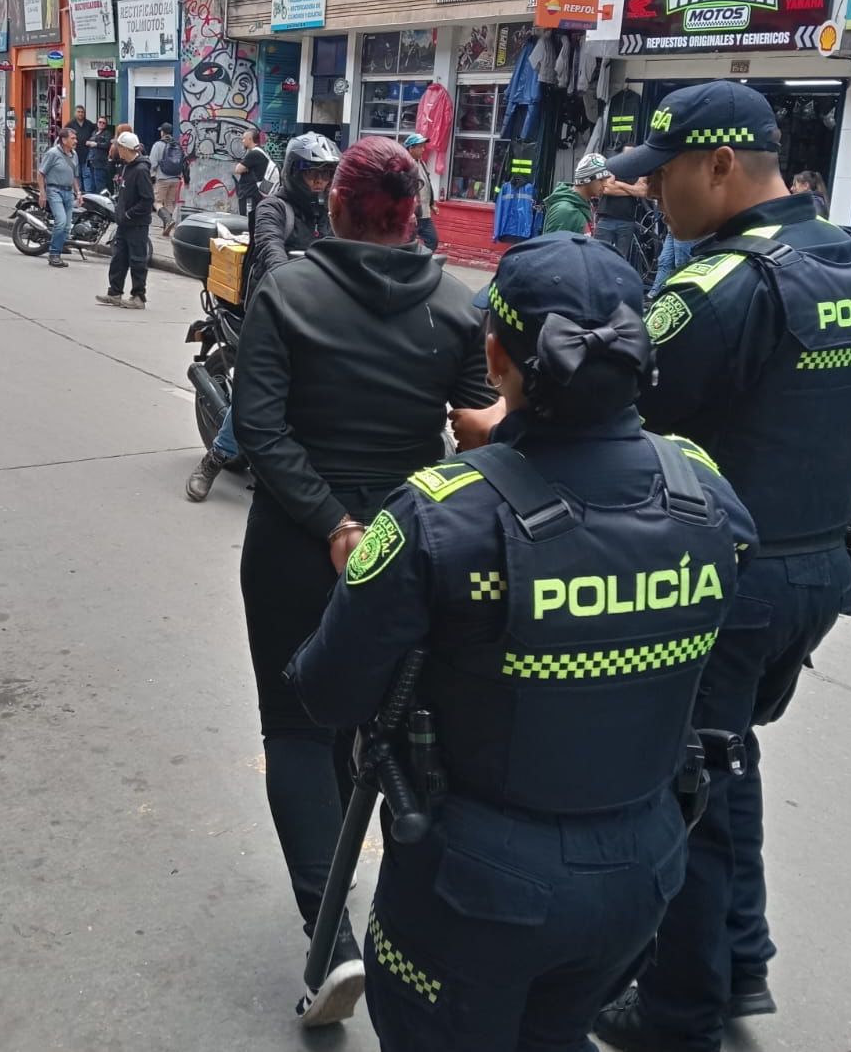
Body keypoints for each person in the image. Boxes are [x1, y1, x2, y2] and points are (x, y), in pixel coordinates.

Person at [288, 231, 757, 1051]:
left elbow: (328, 691)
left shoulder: (442, 514)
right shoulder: (704, 488)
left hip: (476, 892)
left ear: (496, 355)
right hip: (644, 870)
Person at [583, 81, 851, 1052]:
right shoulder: (845, 262)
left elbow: (611, 428)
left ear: (715, 166)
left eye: (660, 175)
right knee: (725, 758)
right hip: (820, 568)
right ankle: (739, 959)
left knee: (679, 796)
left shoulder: (717, 289)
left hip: (724, 587)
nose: (652, 194)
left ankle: (677, 1011)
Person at [231, 135, 496, 1027]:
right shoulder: (459, 307)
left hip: (299, 547)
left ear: (336, 209)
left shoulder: (287, 291)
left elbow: (259, 430)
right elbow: (478, 429)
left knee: (298, 729)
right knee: (391, 725)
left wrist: (333, 525)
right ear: (414, 214)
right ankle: (405, 926)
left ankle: (332, 942)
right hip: (416, 542)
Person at [185, 132, 340, 503]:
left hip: (319, 314)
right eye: (311, 174)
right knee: (259, 393)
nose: (318, 182)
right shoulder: (274, 208)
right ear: (292, 172)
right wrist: (288, 276)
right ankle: (214, 459)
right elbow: (271, 249)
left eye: (324, 174)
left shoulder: (330, 212)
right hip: (273, 311)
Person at [96, 131, 154, 310]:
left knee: (137, 260)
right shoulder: (126, 166)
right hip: (124, 223)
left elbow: (147, 200)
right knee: (118, 258)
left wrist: (128, 214)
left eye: (118, 146)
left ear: (125, 148)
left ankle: (138, 297)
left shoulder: (141, 170)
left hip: (136, 224)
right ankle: (115, 292)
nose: (116, 149)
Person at [38, 128, 82, 268]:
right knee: (61, 221)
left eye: (75, 138)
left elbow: (74, 176)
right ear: (64, 140)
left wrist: (78, 192)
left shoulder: (74, 155)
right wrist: (42, 193)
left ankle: (58, 247)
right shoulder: (52, 153)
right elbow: (41, 174)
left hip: (68, 193)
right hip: (54, 190)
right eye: (73, 138)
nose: (76, 141)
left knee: (67, 226)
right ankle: (54, 254)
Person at [595, 146, 649, 260]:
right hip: (606, 220)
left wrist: (619, 185)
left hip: (627, 221)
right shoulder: (612, 168)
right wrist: (632, 191)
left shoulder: (639, 171)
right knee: (598, 256)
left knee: (621, 260)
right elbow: (607, 189)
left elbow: (643, 191)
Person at [541, 153, 611, 235]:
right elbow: (554, 247)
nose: (606, 184)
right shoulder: (564, 211)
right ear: (586, 179)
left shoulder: (585, 204)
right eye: (601, 180)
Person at [404, 132, 438, 251]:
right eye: (420, 147)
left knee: (432, 241)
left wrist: (431, 203)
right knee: (407, 244)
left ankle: (420, 265)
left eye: (423, 146)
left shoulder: (421, 163)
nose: (423, 150)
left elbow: (426, 184)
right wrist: (409, 211)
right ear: (410, 148)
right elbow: (405, 191)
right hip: (412, 215)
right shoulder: (406, 166)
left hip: (424, 214)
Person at [149, 122, 183, 235]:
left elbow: (152, 163)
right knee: (169, 203)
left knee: (156, 202)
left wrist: (151, 175)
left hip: (162, 178)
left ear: (162, 132)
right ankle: (166, 229)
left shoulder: (158, 145)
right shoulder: (177, 144)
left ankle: (168, 220)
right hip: (176, 178)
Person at [233, 125, 273, 217]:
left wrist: (246, 168)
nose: (242, 141)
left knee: (247, 220)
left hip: (250, 195)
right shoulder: (261, 152)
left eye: (244, 139)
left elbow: (238, 169)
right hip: (253, 194)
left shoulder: (254, 153)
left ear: (250, 139)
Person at [648, 230, 694, 299]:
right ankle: (656, 294)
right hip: (673, 228)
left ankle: (683, 296)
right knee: (665, 261)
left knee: (681, 264)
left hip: (684, 226)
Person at [70, 105, 97, 192]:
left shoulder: (89, 124)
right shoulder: (70, 124)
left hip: (87, 154)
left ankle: (88, 196)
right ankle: (79, 194)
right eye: (79, 112)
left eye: (82, 112)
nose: (80, 114)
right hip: (74, 154)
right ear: (75, 113)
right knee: (77, 175)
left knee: (87, 175)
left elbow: (97, 133)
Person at [86, 115, 112, 194]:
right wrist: (89, 143)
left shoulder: (107, 133)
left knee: (100, 184)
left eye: (103, 123)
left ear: (106, 125)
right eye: (100, 122)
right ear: (97, 123)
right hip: (91, 161)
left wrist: (96, 144)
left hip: (100, 162)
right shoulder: (94, 132)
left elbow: (107, 145)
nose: (101, 124)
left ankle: (101, 202)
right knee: (92, 184)